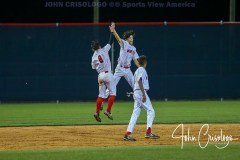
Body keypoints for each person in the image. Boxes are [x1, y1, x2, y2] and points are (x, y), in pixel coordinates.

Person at [124, 55, 160, 141]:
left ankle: (128, 133)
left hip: (136, 92)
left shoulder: (137, 70)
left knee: (135, 113)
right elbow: (139, 81)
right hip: (140, 92)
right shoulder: (141, 70)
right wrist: (143, 94)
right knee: (151, 111)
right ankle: (148, 132)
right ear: (145, 63)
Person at [91, 31, 116, 122]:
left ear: (93, 49)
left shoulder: (93, 57)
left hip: (100, 76)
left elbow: (93, 67)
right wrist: (112, 32)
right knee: (113, 93)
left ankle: (97, 112)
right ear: (99, 45)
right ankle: (108, 111)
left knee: (101, 95)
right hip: (108, 74)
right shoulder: (104, 49)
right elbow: (111, 41)